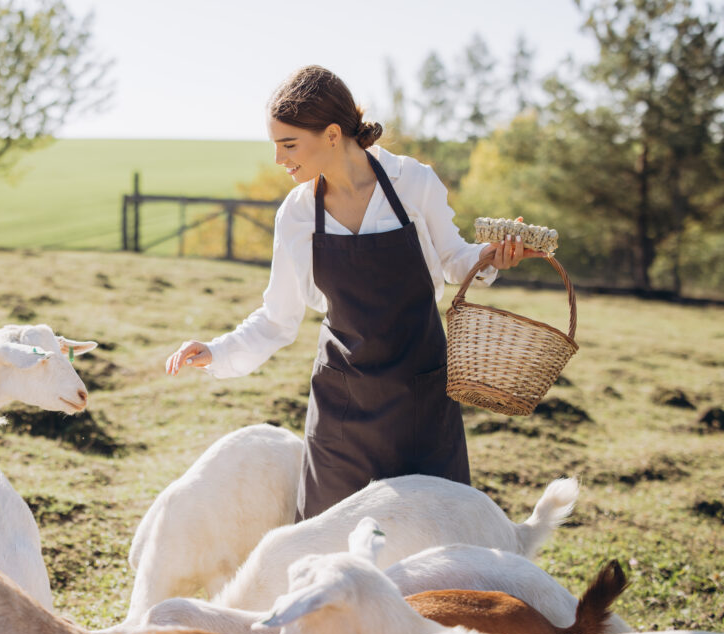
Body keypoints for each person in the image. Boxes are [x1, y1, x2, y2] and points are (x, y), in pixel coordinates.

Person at [165, 65, 541, 520]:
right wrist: (215, 351)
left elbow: (455, 260)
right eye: (276, 146)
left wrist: (491, 257)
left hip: (421, 401)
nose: (279, 159)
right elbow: (276, 319)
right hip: (342, 412)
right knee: (328, 549)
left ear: (330, 134)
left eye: (288, 145)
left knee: (435, 545)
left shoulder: (412, 183)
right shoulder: (298, 215)